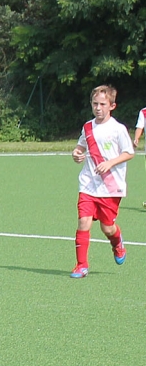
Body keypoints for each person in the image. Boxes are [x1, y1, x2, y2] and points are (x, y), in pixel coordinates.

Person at [70, 85, 134, 278]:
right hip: (88, 184)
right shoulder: (88, 127)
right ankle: (81, 265)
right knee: (83, 222)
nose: (98, 108)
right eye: (95, 103)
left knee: (107, 227)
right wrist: (76, 153)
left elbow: (129, 152)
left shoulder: (118, 129)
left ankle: (117, 242)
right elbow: (80, 147)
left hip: (110, 187)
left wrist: (110, 163)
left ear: (112, 106)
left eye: (102, 104)